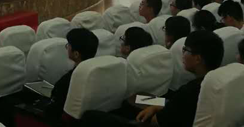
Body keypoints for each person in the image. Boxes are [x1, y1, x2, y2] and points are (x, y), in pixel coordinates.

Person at [82, 30, 224, 127]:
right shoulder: (217, 80)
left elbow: (156, 121)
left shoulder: (189, 92)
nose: (183, 54)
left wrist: (156, 110)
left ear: (198, 59)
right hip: (174, 107)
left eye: (185, 50)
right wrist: (158, 105)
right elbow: (176, 105)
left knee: (91, 116)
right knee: (137, 98)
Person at [46, 27, 99, 119]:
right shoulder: (99, 73)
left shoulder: (65, 82)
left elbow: (52, 112)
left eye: (68, 45)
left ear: (76, 54)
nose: (67, 48)